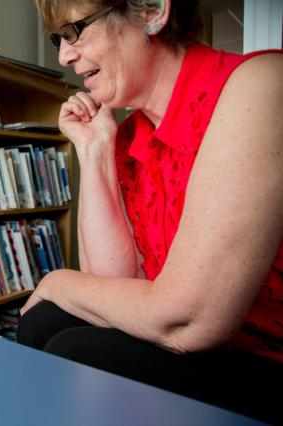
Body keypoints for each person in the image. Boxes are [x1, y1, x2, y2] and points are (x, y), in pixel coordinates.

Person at [17, 0, 283, 422]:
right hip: (207, 355)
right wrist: (95, 151)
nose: (63, 56)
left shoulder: (262, 84)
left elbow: (189, 320)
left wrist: (56, 281)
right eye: (58, 39)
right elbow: (111, 295)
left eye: (75, 30)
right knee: (46, 323)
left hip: (268, 362)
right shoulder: (128, 135)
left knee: (78, 350)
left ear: (151, 10)